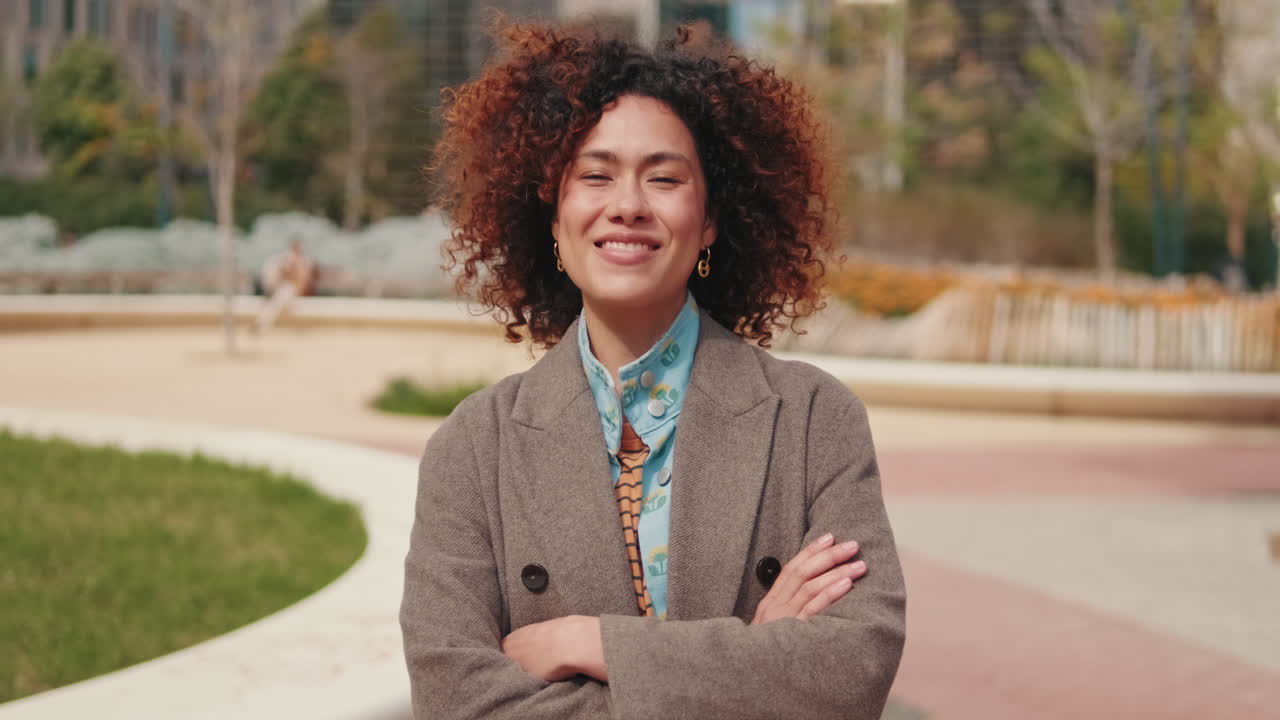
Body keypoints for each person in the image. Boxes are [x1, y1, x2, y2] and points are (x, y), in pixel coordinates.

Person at [400, 20, 905, 719]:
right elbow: (457, 702)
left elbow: (853, 671)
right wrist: (750, 662)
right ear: (552, 216)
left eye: (664, 178)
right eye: (595, 175)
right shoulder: (474, 447)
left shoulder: (814, 418)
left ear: (709, 223)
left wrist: (591, 642)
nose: (628, 205)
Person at [253, 236, 314, 334]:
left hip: (291, 289)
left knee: (282, 307)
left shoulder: (302, 259)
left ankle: (261, 325)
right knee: (276, 306)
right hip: (287, 288)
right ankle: (261, 325)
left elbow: (303, 278)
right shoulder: (287, 258)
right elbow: (283, 273)